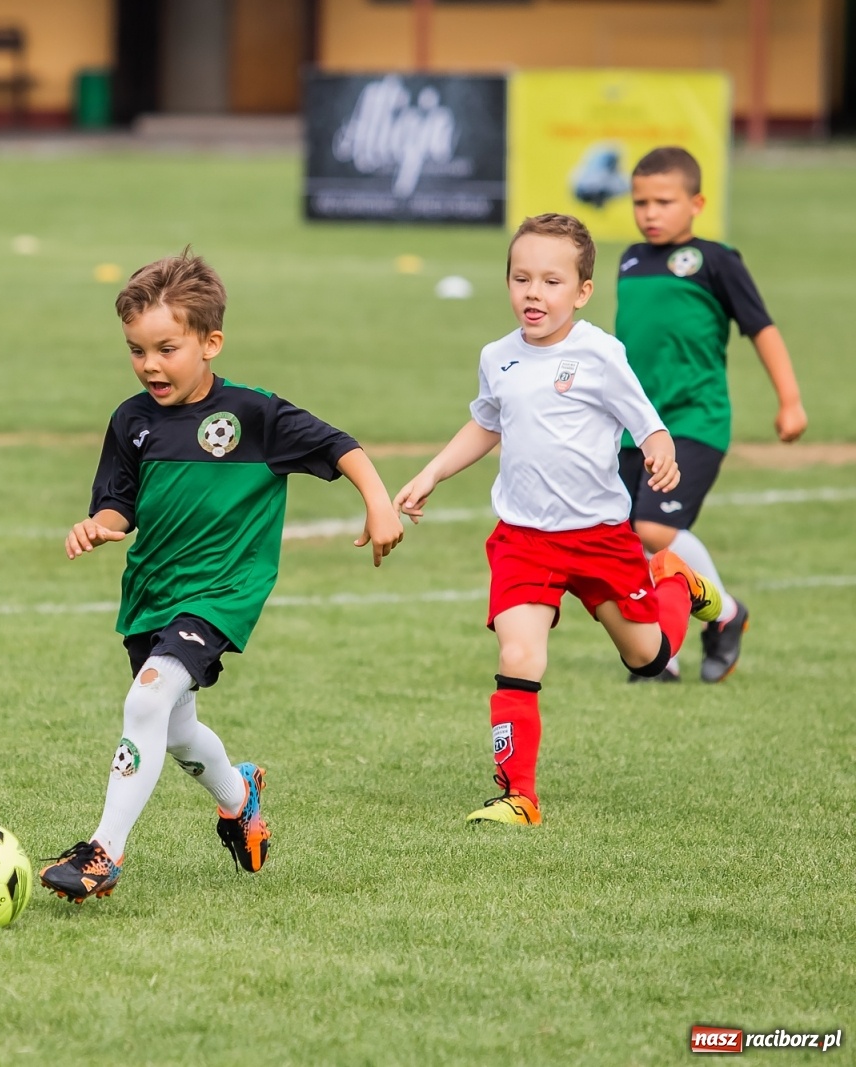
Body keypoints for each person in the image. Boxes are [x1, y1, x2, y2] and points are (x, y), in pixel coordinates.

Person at [40, 249, 404, 902]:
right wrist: (99, 524)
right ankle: (241, 798)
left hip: (222, 592)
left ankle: (103, 852)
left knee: (147, 700)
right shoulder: (132, 421)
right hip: (152, 593)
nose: (150, 364)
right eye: (136, 350)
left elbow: (337, 445)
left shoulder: (254, 415)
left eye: (166, 348)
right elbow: (118, 504)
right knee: (174, 727)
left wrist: (379, 503)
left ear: (210, 342)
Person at [393, 214, 724, 827]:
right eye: (522, 279)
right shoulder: (498, 356)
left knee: (647, 661)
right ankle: (519, 796)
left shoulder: (599, 352)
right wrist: (433, 472)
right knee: (519, 654)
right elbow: (487, 423)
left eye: (550, 281)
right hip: (522, 540)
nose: (533, 294)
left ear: (582, 291)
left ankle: (675, 580)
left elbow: (645, 419)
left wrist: (659, 448)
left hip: (600, 538)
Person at [615, 146, 807, 683]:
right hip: (637, 428)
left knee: (655, 525)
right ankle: (665, 653)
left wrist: (789, 400)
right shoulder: (630, 259)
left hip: (694, 422)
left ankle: (722, 615)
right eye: (640, 201)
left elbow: (761, 328)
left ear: (696, 202)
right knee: (628, 537)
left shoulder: (717, 260)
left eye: (663, 201)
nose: (650, 212)